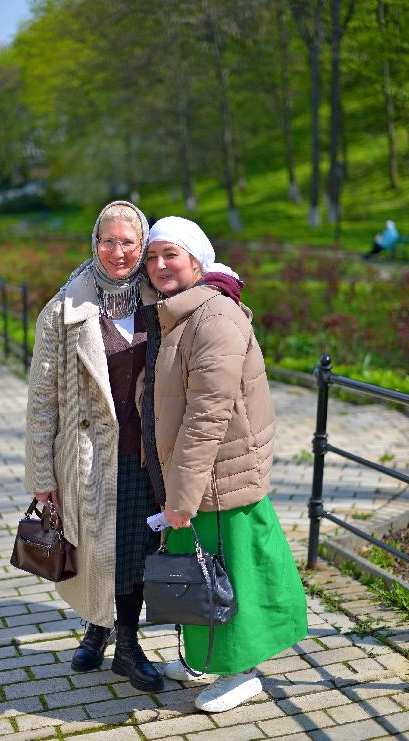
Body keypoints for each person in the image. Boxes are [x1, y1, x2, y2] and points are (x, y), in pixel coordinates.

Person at [140, 216, 308, 713]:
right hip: (194, 477)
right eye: (153, 257)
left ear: (197, 260)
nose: (159, 265)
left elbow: (206, 418)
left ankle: (241, 672)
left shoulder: (214, 318)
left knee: (227, 576)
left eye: (171, 254)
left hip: (217, 477)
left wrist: (182, 496)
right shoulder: (179, 313)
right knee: (197, 572)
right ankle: (201, 659)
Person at [25, 200, 164, 692]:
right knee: (97, 552)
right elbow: (43, 401)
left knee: (134, 549)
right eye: (109, 240)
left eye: (129, 241)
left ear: (142, 244)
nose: (119, 251)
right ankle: (100, 627)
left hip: (145, 455)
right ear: (94, 242)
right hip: (86, 456)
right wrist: (42, 478)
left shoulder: (160, 301)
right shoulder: (63, 310)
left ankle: (124, 641)